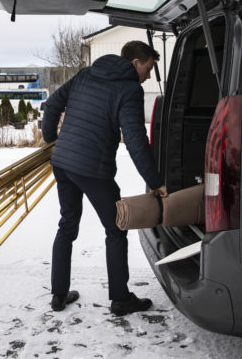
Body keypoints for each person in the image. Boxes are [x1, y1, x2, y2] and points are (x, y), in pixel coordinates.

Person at [41, 40, 168, 316]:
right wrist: (156, 181)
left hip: (63, 164)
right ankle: (121, 299)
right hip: (93, 169)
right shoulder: (129, 88)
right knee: (117, 227)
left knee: (67, 225)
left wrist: (53, 142)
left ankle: (59, 295)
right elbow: (135, 140)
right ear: (135, 62)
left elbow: (51, 105)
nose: (147, 76)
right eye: (148, 68)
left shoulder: (86, 74)